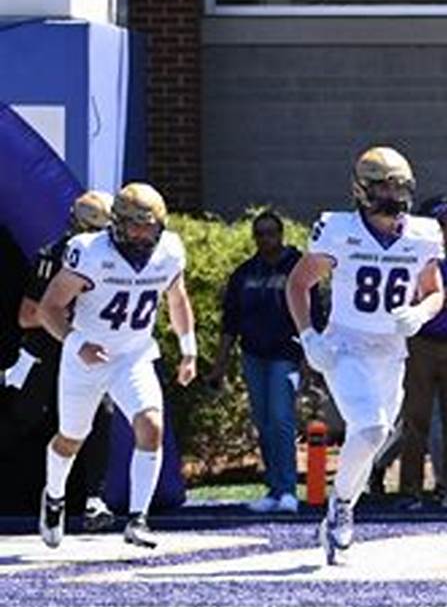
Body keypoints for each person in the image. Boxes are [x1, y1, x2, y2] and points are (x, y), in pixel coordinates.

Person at [286, 146, 444, 565]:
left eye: (398, 185)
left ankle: (342, 504)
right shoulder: (337, 229)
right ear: (362, 189)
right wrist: (309, 337)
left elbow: (435, 290)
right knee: (371, 428)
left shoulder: (422, 233)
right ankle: (340, 508)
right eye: (383, 186)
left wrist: (422, 312)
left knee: (380, 433)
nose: (393, 194)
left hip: (392, 350)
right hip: (346, 345)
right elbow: (298, 284)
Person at [36, 183, 197, 549]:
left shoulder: (169, 251)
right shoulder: (89, 252)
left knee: (151, 425)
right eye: (137, 226)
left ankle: (138, 519)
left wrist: (188, 350)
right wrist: (78, 342)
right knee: (71, 439)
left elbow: (177, 299)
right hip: (88, 355)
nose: (144, 234)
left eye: (151, 226)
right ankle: (55, 496)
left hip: (134, 354)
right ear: (118, 224)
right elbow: (49, 307)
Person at [9, 192, 115, 531]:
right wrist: (62, 314)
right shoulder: (54, 256)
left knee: (101, 415)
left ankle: (94, 499)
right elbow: (28, 316)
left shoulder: (119, 258)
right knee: (23, 416)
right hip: (50, 348)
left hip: (88, 348)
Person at [379, 201, 447, 508]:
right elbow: (411, 299)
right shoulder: (417, 259)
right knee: (416, 419)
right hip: (421, 344)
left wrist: (440, 298)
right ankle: (411, 491)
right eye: (443, 222)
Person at [207, 211, 307, 514]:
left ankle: (288, 490)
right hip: (253, 355)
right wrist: (219, 366)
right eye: (260, 234)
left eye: (271, 233)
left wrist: (310, 361)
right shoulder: (245, 273)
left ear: (281, 234)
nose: (266, 239)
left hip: (286, 355)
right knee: (263, 423)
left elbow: (312, 317)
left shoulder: (297, 268)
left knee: (281, 420)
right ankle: (273, 488)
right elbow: (230, 323)